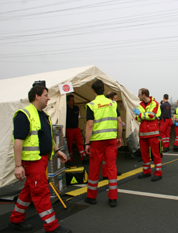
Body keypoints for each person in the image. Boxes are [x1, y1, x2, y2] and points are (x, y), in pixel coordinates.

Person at [9, 85, 71, 233]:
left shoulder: (44, 116)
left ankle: (15, 220)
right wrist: (18, 166)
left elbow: (48, 138)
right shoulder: (24, 114)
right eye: (46, 95)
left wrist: (57, 151)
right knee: (41, 192)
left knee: (29, 191)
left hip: (42, 160)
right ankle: (52, 227)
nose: (48, 98)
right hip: (32, 162)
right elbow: (18, 141)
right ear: (37, 96)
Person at [84, 80, 122, 207]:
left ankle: (91, 197)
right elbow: (119, 122)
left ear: (93, 90)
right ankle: (113, 198)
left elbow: (89, 125)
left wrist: (86, 143)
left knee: (94, 168)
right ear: (104, 90)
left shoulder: (91, 105)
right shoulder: (113, 104)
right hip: (111, 139)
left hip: (97, 141)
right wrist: (119, 137)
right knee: (111, 167)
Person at [133, 88, 162, 181]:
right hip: (143, 133)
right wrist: (141, 115)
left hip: (152, 134)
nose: (138, 96)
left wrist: (141, 114)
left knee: (155, 154)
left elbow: (152, 116)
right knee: (144, 154)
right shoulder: (141, 105)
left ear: (144, 95)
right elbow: (137, 118)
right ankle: (146, 172)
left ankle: (158, 173)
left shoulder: (155, 103)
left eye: (139, 94)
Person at [103, 91, 124, 177]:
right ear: (110, 99)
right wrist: (119, 137)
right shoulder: (113, 107)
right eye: (115, 98)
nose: (116, 100)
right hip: (112, 134)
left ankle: (105, 173)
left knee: (104, 156)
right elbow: (119, 121)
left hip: (102, 135)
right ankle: (111, 173)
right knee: (112, 155)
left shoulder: (100, 106)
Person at [66, 94, 88, 165]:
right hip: (69, 129)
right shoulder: (65, 109)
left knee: (80, 143)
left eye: (74, 100)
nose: (73, 101)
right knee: (70, 145)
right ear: (68, 101)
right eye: (72, 100)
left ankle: (83, 157)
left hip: (76, 128)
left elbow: (78, 117)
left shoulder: (76, 108)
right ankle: (70, 160)